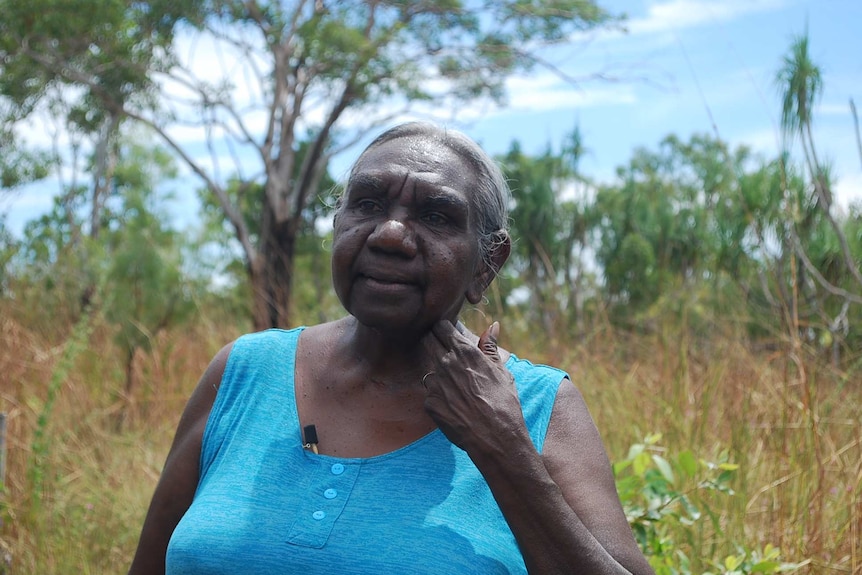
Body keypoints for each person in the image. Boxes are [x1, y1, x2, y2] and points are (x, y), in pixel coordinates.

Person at [128, 121, 655, 575]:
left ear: (487, 264)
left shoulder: (540, 407)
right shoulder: (244, 372)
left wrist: (503, 448)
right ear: (338, 226)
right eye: (368, 204)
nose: (391, 235)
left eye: (436, 216)